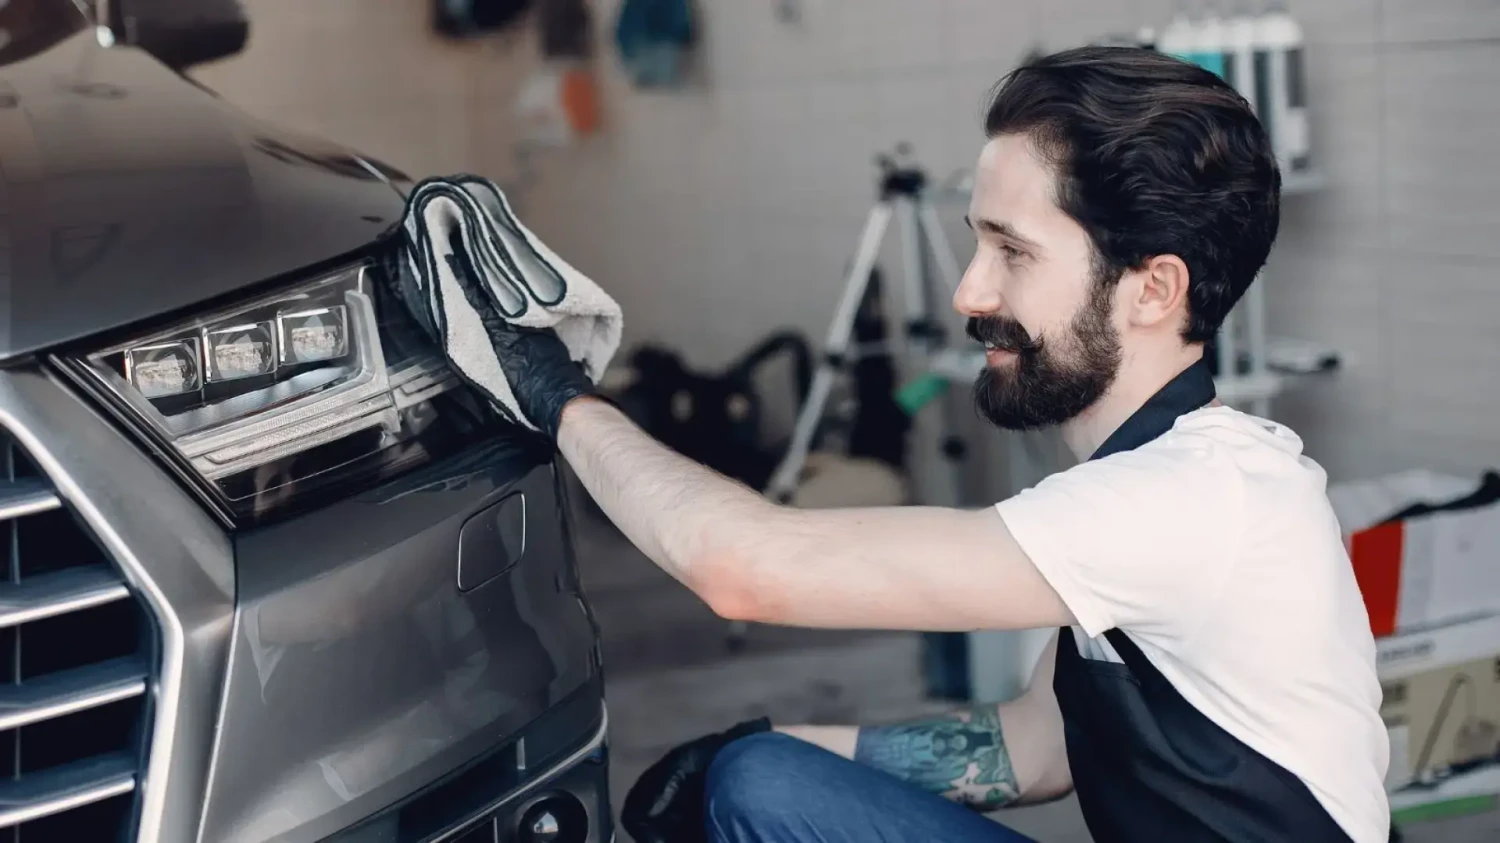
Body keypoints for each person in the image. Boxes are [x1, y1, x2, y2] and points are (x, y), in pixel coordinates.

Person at [487, 46, 1390, 843]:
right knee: (765, 776)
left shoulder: (1190, 498)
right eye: (976, 244)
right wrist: (767, 743)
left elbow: (745, 569)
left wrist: (560, 397)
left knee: (759, 783)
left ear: (1151, 290)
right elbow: (1035, 746)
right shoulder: (1154, 483)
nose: (968, 292)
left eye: (1013, 252)